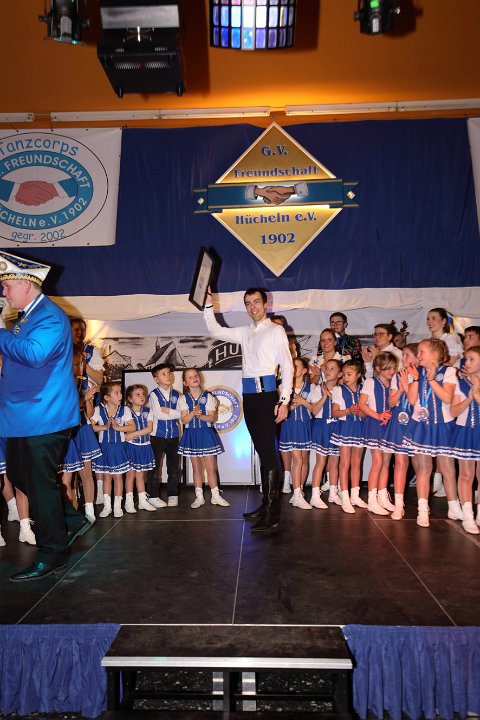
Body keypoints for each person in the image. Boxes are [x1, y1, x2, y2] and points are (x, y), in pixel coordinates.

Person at [0, 250, 91, 581]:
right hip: (25, 415)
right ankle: (72, 519)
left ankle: (53, 553)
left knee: (38, 484)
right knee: (21, 476)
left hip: (44, 415)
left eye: (7, 285)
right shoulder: (27, 316)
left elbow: (34, 354)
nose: (3, 291)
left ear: (26, 284)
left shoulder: (50, 316)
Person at [204, 286, 293, 535]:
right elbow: (215, 330)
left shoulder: (275, 330)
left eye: (256, 302)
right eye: (248, 303)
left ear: (265, 304)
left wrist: (284, 400)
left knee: (269, 453)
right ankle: (266, 504)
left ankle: (273, 512)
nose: (252, 307)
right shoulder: (245, 332)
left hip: (267, 396)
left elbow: (287, 367)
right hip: (250, 397)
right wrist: (208, 305)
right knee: (262, 452)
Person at [404, 338, 462, 528]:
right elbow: (412, 400)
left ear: (435, 355)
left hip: (442, 425)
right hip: (421, 426)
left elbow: (447, 398)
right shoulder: (417, 372)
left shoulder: (448, 372)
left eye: (422, 352)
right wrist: (415, 379)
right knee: (424, 469)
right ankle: (422, 509)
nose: (418, 355)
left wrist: (431, 380)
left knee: (448, 468)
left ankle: (453, 506)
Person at [178, 368, 229, 509]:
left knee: (211, 467)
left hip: (206, 433)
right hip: (191, 434)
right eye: (190, 377)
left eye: (196, 375)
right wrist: (193, 413)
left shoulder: (209, 397)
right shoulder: (183, 399)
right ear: (185, 382)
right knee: (196, 468)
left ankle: (215, 496)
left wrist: (200, 416)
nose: (194, 378)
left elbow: (213, 418)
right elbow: (184, 420)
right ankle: (199, 496)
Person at [381, 343, 419, 520]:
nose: (403, 359)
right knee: (400, 461)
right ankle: (398, 504)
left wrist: (408, 384)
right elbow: (391, 402)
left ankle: (423, 503)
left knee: (419, 464)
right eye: (402, 355)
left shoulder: (422, 375)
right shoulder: (398, 376)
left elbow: (415, 401)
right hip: (399, 420)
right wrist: (402, 387)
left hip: (417, 421)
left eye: (407, 355)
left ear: (418, 357)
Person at [358, 352, 397, 516]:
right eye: (388, 369)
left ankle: (382, 496)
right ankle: (372, 499)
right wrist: (378, 416)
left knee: (386, 462)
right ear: (378, 369)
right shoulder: (370, 382)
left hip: (388, 426)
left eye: (394, 368)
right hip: (375, 424)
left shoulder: (393, 383)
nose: (392, 371)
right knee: (378, 462)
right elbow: (362, 404)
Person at [91, 382, 135, 518]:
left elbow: (132, 427)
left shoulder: (124, 410)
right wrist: (104, 427)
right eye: (116, 393)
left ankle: (117, 506)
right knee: (106, 477)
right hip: (104, 448)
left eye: (121, 392)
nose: (120, 395)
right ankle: (107, 506)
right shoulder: (98, 410)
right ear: (107, 397)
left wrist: (118, 428)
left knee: (118, 477)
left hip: (118, 448)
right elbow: (91, 427)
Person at [450, 346, 480, 534]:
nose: (466, 363)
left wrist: (476, 393)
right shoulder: (460, 384)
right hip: (465, 432)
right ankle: (468, 515)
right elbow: (453, 411)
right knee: (466, 474)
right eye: (466, 359)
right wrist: (468, 399)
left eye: (471, 359)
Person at [331, 359, 366, 514]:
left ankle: (355, 496)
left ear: (358, 375)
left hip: (359, 428)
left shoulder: (364, 390)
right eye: (344, 374)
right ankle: (345, 497)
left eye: (349, 374)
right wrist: (348, 411)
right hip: (345, 428)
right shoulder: (339, 390)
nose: (345, 377)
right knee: (344, 463)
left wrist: (361, 412)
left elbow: (366, 413)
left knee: (356, 463)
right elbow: (335, 412)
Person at [278, 358, 313, 510]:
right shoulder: (283, 387)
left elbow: (315, 409)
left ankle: (300, 489)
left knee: (304, 459)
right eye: (291, 366)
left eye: (296, 366)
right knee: (297, 459)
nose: (293, 369)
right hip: (290, 425)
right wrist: (292, 406)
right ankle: (297, 492)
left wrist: (304, 403)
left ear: (305, 371)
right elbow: (280, 408)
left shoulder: (312, 388)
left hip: (305, 425)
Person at [147, 364, 183, 508]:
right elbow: (158, 415)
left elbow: (182, 414)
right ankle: (153, 496)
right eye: (163, 374)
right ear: (156, 379)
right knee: (155, 468)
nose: (168, 375)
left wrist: (168, 411)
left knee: (174, 467)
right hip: (157, 436)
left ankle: (173, 494)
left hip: (174, 435)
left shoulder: (177, 395)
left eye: (168, 373)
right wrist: (174, 413)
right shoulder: (153, 394)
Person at [308, 358, 343, 507]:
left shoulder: (342, 390)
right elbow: (314, 411)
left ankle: (333, 493)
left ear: (340, 374)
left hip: (337, 427)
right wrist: (324, 396)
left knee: (334, 462)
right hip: (322, 427)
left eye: (332, 368)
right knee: (321, 462)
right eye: (327, 368)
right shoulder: (318, 389)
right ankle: (315, 495)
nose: (328, 371)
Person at [124, 384, 157, 514]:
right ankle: (129, 502)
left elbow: (149, 429)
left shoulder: (148, 411)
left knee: (141, 475)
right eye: (137, 394)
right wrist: (129, 435)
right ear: (130, 398)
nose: (142, 396)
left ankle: (143, 501)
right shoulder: (126, 411)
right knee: (130, 475)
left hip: (144, 446)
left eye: (143, 394)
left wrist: (133, 434)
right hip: (131, 447)